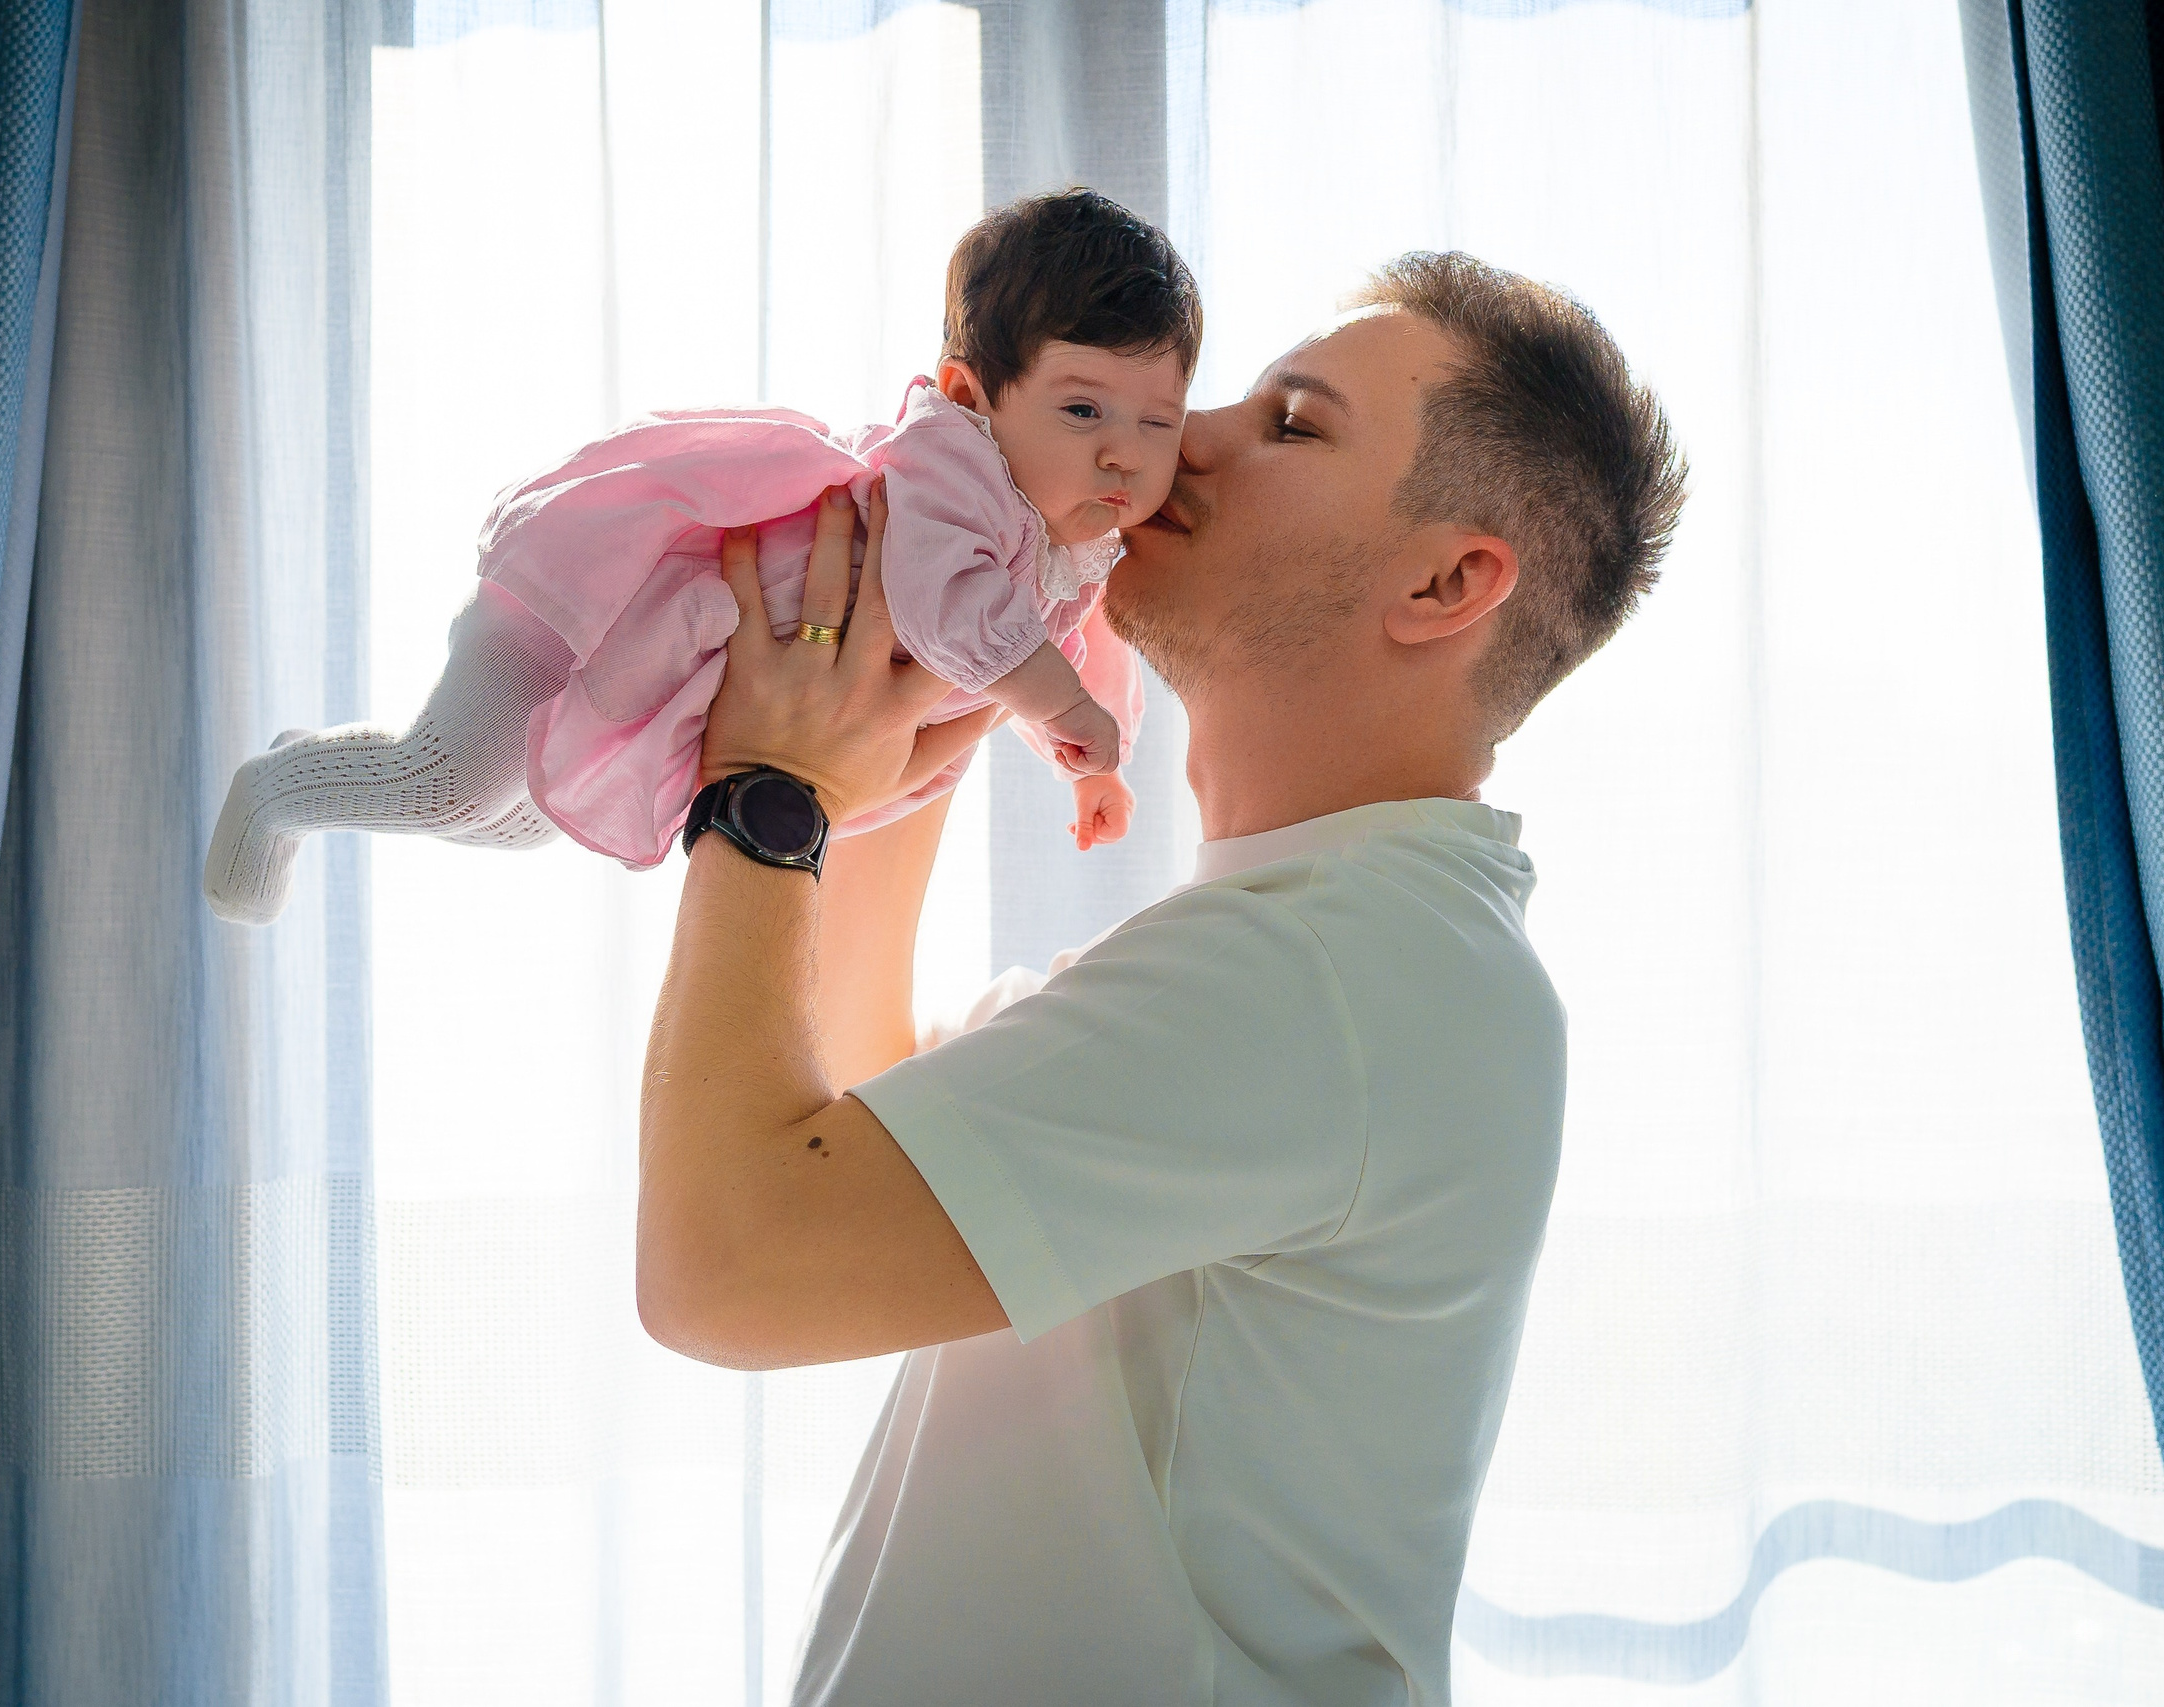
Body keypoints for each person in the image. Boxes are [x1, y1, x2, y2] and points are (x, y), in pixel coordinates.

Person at [637, 251, 1687, 1704]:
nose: (1183, 436)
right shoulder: (1342, 947)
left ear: (1448, 582)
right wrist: (935, 670)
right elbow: (875, 1099)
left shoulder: (1316, 973)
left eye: (1292, 424)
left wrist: (763, 790)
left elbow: (729, 1269)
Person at [199, 188, 1195, 925]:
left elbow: (1060, 653)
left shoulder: (1067, 553)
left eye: (1158, 419)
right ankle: (277, 791)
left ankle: (316, 768)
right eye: (1081, 408)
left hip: (655, 677)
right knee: (448, 783)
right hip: (590, 617)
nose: (1124, 452)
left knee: (528, 818)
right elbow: (954, 613)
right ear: (971, 394)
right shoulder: (949, 465)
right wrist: (1063, 712)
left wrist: (1088, 762)